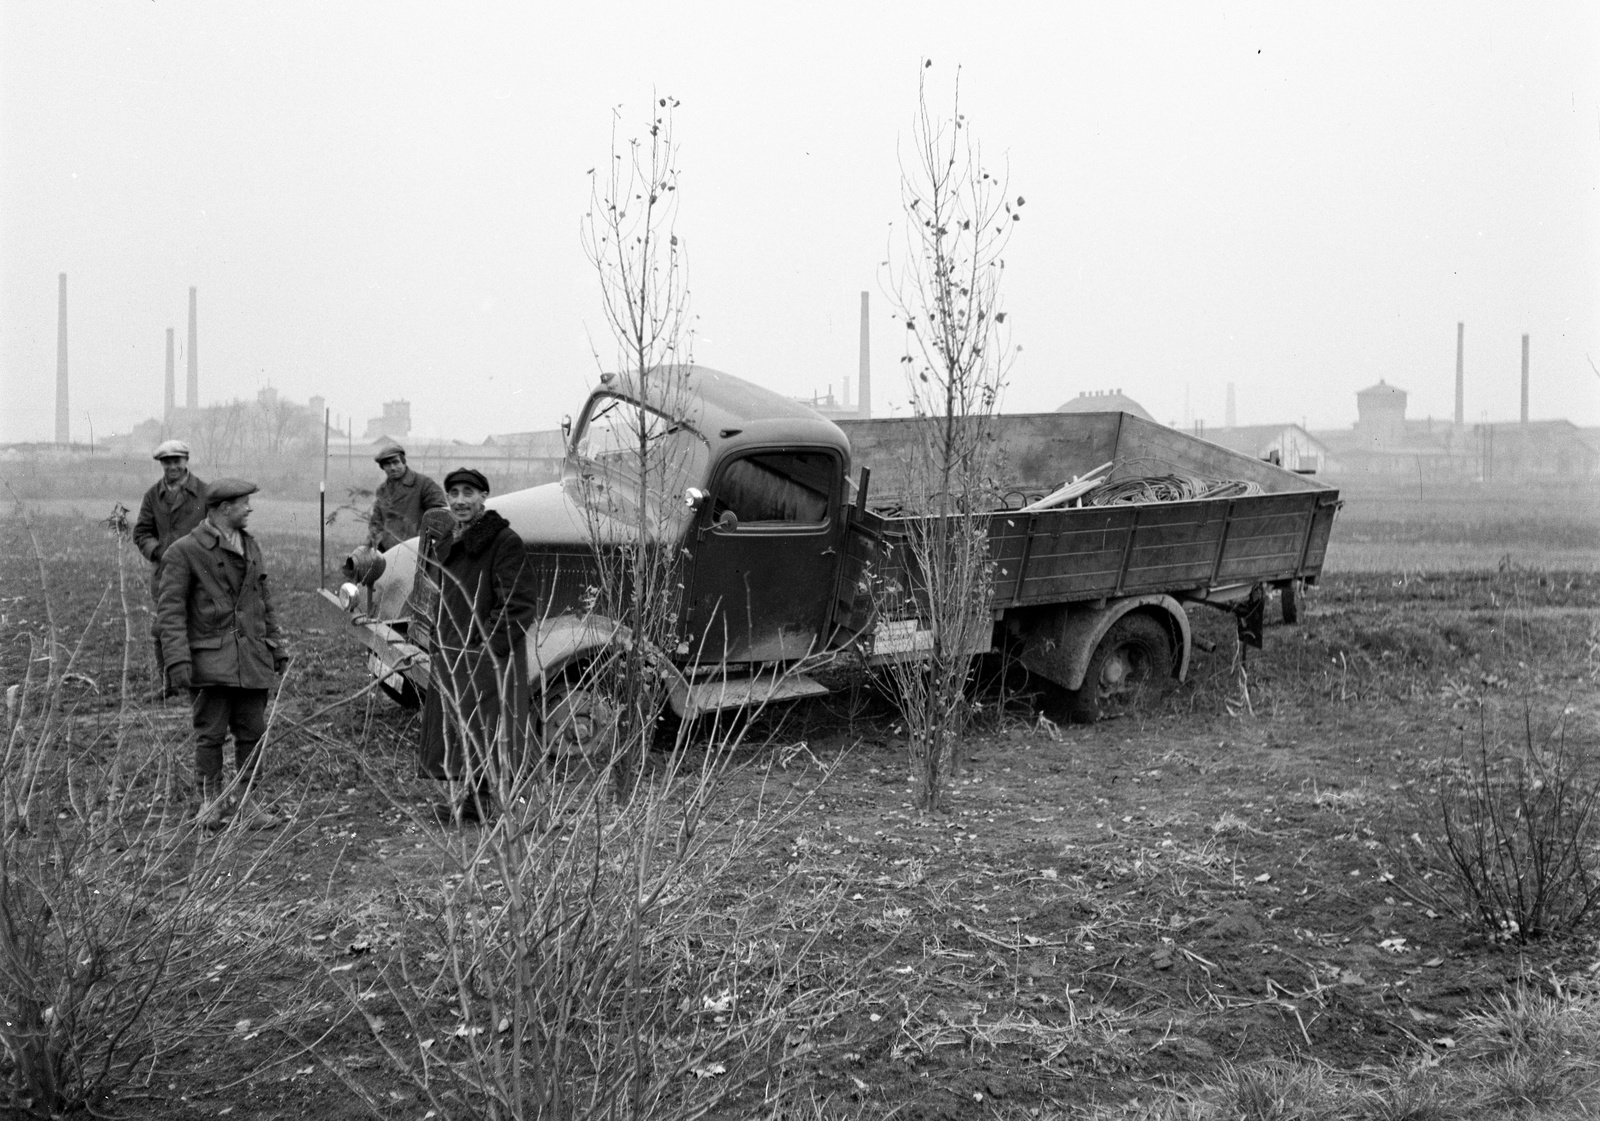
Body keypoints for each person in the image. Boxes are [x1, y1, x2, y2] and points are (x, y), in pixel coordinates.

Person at [156, 478, 289, 830]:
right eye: (243, 503)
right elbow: (170, 613)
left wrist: (276, 646)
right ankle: (209, 802)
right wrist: (178, 660)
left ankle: (248, 803)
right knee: (210, 735)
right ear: (221, 509)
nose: (249, 508)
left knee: (253, 733)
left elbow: (264, 602)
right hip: (210, 660)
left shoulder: (251, 545)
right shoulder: (185, 551)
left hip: (252, 658)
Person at [417, 468, 537, 825]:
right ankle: (473, 802)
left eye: (468, 493)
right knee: (460, 728)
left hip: (487, 654)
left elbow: (518, 602)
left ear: (484, 497)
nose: (459, 501)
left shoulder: (503, 541)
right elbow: (446, 595)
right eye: (453, 493)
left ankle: (486, 802)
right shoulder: (449, 541)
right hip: (454, 650)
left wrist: (486, 646)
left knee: (487, 727)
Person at [133, 439, 207, 674]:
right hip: (165, 573)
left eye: (176, 461)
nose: (172, 467)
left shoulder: (205, 493)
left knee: (201, 622)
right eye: (167, 462)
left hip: (200, 571)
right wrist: (160, 552)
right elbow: (142, 532)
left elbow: (216, 529)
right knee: (165, 625)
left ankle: (200, 677)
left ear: (186, 461)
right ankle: (168, 682)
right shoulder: (153, 496)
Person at [367, 442, 448, 551]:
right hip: (388, 552)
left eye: (396, 462)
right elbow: (375, 523)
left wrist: (423, 539)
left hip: (416, 550)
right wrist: (372, 546)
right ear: (382, 467)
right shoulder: (382, 490)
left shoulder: (424, 484)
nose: (392, 468)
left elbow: (440, 515)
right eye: (387, 464)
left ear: (403, 461)